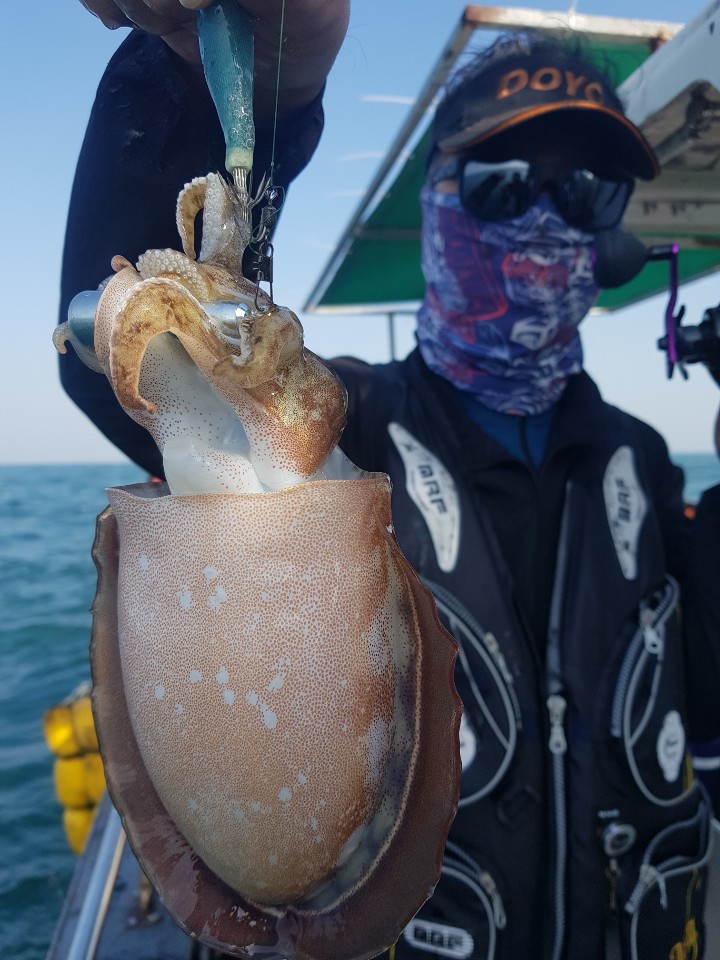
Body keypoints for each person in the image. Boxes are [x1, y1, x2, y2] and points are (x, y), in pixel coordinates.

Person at [60, 5, 720, 959]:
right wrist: (248, 89)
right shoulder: (346, 428)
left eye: (585, 194)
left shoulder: (644, 462)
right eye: (500, 186)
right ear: (437, 206)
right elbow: (141, 360)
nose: (545, 225)